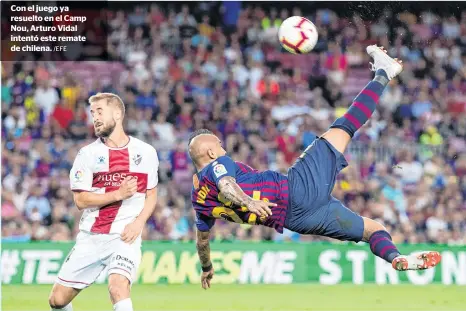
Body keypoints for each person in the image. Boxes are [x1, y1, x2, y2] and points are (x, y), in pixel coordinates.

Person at [188, 46, 441, 290]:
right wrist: (248, 202)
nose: (223, 149)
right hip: (297, 190)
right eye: (220, 145)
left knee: (374, 230)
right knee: (344, 126)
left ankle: (396, 258)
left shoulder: (199, 202)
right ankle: (384, 73)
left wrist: (207, 266)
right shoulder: (218, 165)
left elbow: (202, 241)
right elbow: (227, 185)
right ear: (210, 152)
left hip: (299, 220)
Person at [48, 93, 159, 311]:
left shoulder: (146, 152)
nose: (95, 118)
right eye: (92, 113)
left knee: (117, 288)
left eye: (100, 112)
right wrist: (117, 194)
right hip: (91, 237)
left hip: (124, 236)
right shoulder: (87, 154)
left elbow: (151, 194)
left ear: (117, 113)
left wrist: (139, 223)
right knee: (57, 300)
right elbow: (80, 200)